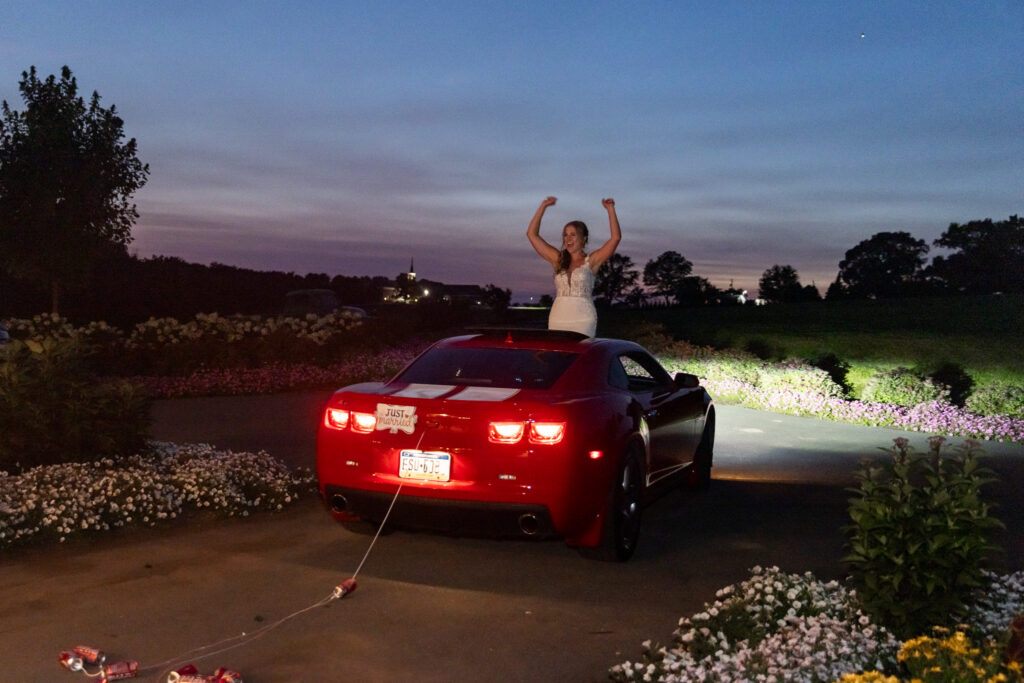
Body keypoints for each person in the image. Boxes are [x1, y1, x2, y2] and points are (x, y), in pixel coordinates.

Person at [526, 196, 621, 337]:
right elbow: (532, 235)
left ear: (584, 239)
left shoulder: (592, 261)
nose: (568, 239)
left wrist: (610, 210)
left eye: (573, 235)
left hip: (583, 320)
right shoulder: (558, 260)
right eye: (565, 235)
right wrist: (543, 206)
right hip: (557, 319)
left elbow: (615, 238)